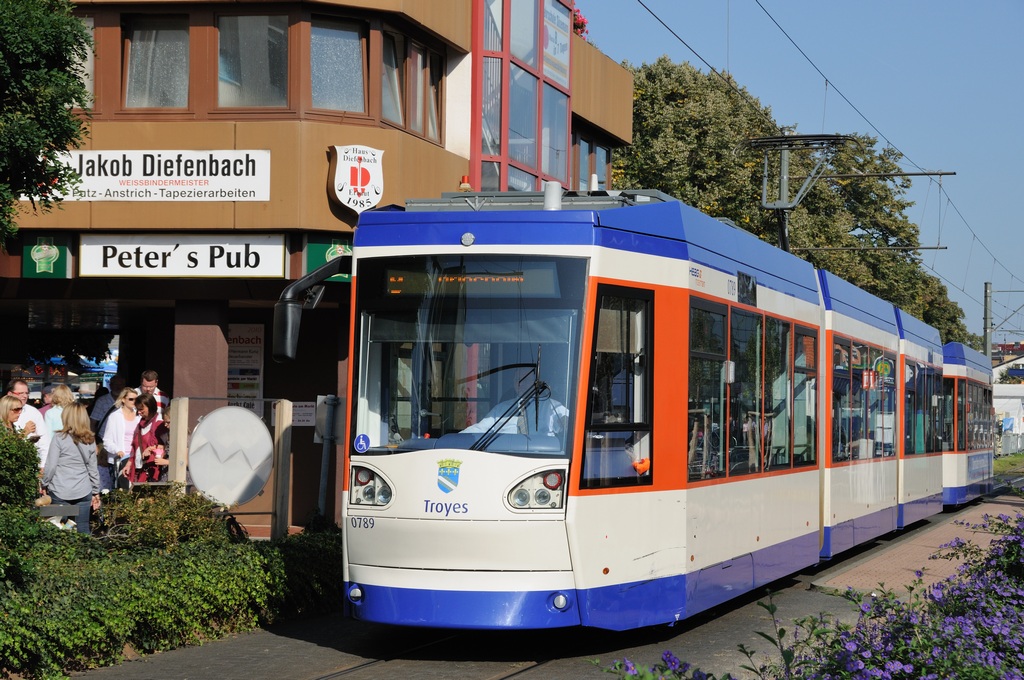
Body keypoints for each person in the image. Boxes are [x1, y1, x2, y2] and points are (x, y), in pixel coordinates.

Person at [41, 403, 101, 535]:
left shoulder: (59, 438)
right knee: (83, 528)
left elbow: (51, 466)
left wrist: (44, 483)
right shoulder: (90, 439)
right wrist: (96, 491)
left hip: (60, 489)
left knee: (61, 529)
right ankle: (87, 554)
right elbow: (93, 468)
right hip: (83, 489)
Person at [462, 369, 568, 437]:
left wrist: (565, 422)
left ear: (535, 383)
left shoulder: (550, 406)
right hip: (504, 458)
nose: (521, 383)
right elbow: (480, 429)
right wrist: (455, 438)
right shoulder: (501, 409)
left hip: (539, 459)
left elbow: (571, 423)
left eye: (526, 379)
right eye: (518, 379)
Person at [124, 392, 169, 484]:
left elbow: (167, 447)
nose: (139, 412)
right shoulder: (139, 425)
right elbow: (134, 446)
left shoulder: (160, 425)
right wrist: (129, 463)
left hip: (152, 471)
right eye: (138, 409)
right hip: (138, 469)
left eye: (142, 410)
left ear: (150, 407)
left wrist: (153, 448)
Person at [100, 387, 139, 493]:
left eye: (136, 399)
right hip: (121, 458)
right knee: (123, 489)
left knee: (136, 490)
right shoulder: (115, 416)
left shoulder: (139, 416)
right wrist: (117, 451)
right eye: (131, 399)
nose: (134, 402)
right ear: (123, 399)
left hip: (136, 458)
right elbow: (107, 440)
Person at [7, 379, 50, 470]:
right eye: (20, 393)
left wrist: (42, 465)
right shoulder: (2, 413)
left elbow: (44, 443)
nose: (24, 396)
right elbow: (7, 445)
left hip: (29, 466)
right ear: (10, 394)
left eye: (26, 393)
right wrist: (24, 432)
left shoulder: (33, 412)